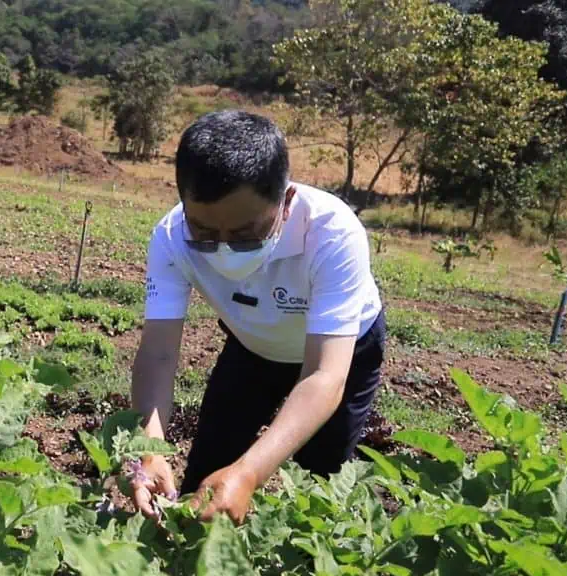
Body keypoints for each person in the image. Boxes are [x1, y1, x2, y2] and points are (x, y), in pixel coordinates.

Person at [130, 110, 386, 524]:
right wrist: (149, 450)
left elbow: (324, 375)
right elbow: (158, 353)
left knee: (317, 484)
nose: (224, 248)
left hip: (342, 352)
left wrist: (249, 474)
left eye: (246, 235)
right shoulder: (171, 237)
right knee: (207, 473)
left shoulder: (333, 233)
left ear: (286, 203)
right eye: (206, 234)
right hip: (251, 347)